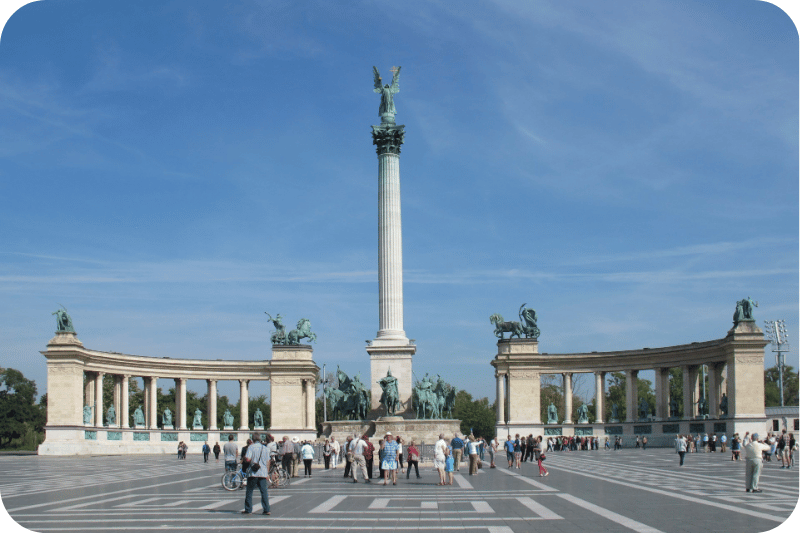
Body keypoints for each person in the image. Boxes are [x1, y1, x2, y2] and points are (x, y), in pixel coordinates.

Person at [242, 432, 270, 515]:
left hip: (253, 473)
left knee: (249, 491)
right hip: (263, 473)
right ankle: (267, 509)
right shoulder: (265, 448)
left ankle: (248, 509)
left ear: (253, 439)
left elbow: (247, 459)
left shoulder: (251, 447)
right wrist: (267, 473)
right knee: (264, 492)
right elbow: (268, 461)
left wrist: (245, 459)